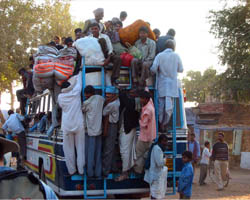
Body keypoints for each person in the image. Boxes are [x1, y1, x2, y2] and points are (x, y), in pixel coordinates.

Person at [150, 39, 183, 132]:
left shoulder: (159, 56)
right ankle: (164, 124)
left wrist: (158, 71)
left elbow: (153, 69)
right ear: (173, 47)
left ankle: (160, 124)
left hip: (161, 85)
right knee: (169, 108)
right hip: (172, 86)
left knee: (160, 106)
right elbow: (181, 69)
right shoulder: (176, 56)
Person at [58, 73, 85, 176]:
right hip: (78, 124)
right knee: (80, 149)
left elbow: (61, 107)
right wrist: (79, 74)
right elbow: (79, 83)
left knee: (69, 151)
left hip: (67, 126)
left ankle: (72, 171)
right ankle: (81, 171)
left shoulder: (60, 97)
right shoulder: (76, 92)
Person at [115, 89, 140, 181]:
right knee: (127, 150)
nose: (131, 94)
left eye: (132, 92)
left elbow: (126, 101)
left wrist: (122, 91)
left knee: (124, 151)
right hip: (126, 129)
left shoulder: (134, 102)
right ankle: (127, 169)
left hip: (127, 129)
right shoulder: (130, 102)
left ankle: (125, 172)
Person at [82, 85, 105, 178]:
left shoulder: (86, 103)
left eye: (87, 94)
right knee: (98, 153)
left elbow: (82, 110)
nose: (86, 96)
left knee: (89, 153)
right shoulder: (101, 99)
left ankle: (90, 173)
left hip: (90, 131)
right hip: (99, 130)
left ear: (90, 93)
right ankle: (98, 173)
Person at [89, 23, 121, 87]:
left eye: (96, 29)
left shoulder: (105, 36)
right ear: (90, 30)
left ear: (99, 29)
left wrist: (108, 59)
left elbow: (110, 49)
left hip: (106, 54)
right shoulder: (89, 38)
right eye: (92, 29)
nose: (94, 30)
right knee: (101, 41)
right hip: (96, 56)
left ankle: (114, 78)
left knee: (118, 58)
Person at [134, 91, 156, 174]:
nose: (140, 100)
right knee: (147, 155)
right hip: (151, 136)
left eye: (141, 98)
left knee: (139, 154)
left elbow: (143, 124)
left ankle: (138, 170)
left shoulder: (147, 110)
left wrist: (139, 118)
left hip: (144, 137)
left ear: (146, 99)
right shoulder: (150, 105)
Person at [102, 87, 120, 177]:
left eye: (109, 94)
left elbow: (104, 113)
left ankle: (105, 170)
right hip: (113, 125)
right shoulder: (117, 101)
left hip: (111, 126)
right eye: (106, 94)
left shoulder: (111, 104)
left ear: (113, 95)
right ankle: (114, 167)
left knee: (108, 149)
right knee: (111, 148)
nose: (107, 96)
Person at [144, 134, 168, 199]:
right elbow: (160, 163)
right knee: (155, 195)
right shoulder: (157, 149)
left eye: (166, 141)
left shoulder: (158, 148)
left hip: (156, 175)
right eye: (164, 141)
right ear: (160, 141)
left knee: (155, 194)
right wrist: (165, 159)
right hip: (155, 176)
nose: (166, 143)